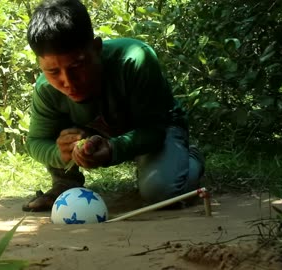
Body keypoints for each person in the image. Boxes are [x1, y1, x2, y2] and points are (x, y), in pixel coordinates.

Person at [22, 0, 205, 212]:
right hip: (99, 131)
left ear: (97, 48)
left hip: (156, 128)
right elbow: (36, 141)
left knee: (161, 193)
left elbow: (154, 129)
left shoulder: (135, 59)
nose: (68, 82)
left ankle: (192, 158)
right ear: (40, 65)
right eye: (53, 72)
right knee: (61, 136)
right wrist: (61, 153)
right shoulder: (46, 89)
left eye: (77, 65)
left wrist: (112, 149)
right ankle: (65, 184)